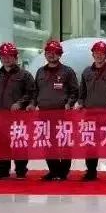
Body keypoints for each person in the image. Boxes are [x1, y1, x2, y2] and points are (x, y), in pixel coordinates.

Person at [0, 42, 35, 179]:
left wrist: (20, 103)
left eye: (10, 56)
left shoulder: (25, 75)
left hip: (18, 118)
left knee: (19, 143)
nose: (6, 59)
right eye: (3, 56)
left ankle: (21, 170)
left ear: (16, 57)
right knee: (1, 144)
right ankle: (2, 170)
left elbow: (31, 93)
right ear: (0, 58)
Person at [29, 39, 78, 181]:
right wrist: (32, 104)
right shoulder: (40, 72)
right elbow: (35, 91)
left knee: (64, 143)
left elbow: (75, 91)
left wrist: (69, 103)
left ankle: (63, 172)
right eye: (48, 52)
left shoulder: (67, 72)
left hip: (63, 115)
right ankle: (53, 170)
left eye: (55, 52)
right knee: (48, 144)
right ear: (45, 54)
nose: (51, 55)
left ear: (60, 54)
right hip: (44, 115)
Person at [75, 40, 106, 181]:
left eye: (102, 53)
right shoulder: (86, 72)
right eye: (96, 53)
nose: (99, 55)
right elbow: (82, 93)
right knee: (90, 144)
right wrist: (80, 103)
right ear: (93, 54)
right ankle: (91, 172)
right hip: (90, 115)